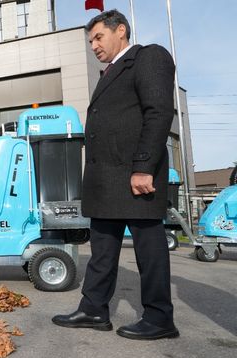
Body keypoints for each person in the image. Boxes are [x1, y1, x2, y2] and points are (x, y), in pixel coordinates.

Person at [51, 9, 179, 340]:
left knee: (148, 250)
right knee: (103, 250)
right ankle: (94, 309)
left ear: (120, 30)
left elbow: (159, 112)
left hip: (134, 176)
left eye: (98, 37)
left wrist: (143, 167)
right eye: (90, 40)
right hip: (106, 181)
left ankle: (160, 317)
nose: (93, 45)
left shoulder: (148, 57)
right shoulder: (109, 72)